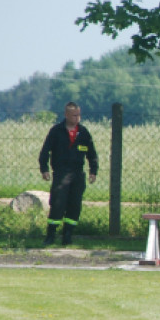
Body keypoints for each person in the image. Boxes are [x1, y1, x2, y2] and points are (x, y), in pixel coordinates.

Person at [38, 102, 98, 246]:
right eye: (74, 115)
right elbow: (45, 151)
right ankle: (51, 235)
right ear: (66, 115)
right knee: (58, 204)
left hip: (78, 174)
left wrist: (93, 171)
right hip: (61, 173)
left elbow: (92, 154)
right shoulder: (56, 131)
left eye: (79, 115)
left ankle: (68, 235)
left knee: (75, 205)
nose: (77, 118)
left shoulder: (83, 132)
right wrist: (44, 169)